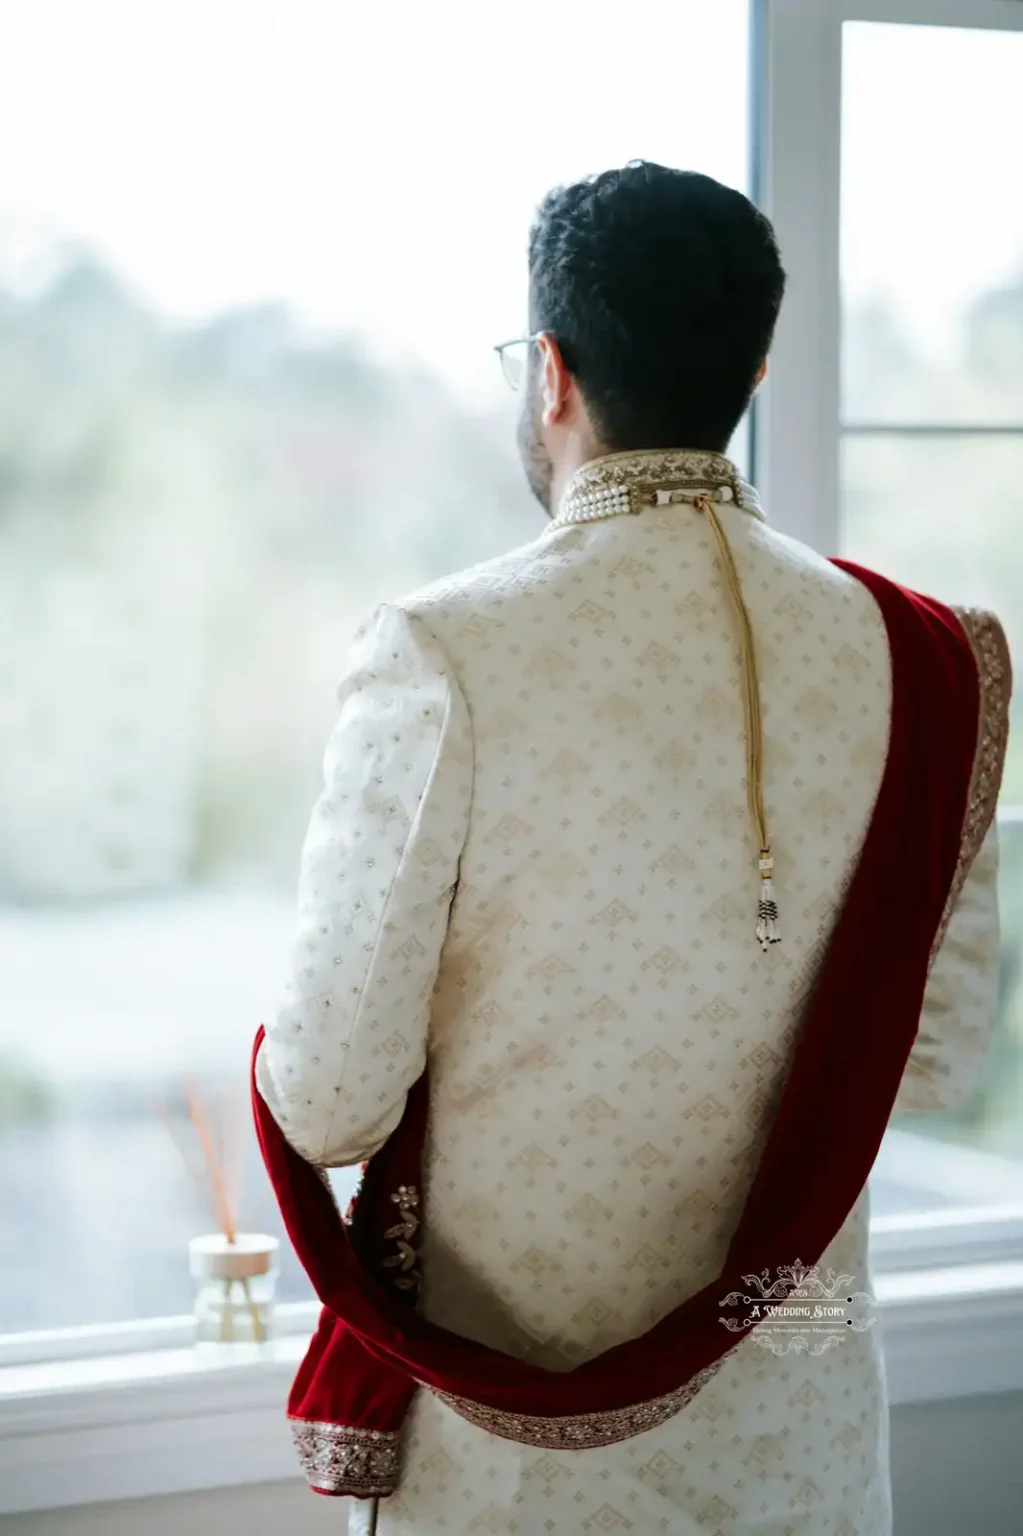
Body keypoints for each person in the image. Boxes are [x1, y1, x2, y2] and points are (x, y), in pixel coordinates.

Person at [253, 163, 1010, 1536]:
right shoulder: (932, 660)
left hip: (514, 1454)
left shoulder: (444, 653)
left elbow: (327, 1101)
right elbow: (942, 1065)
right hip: (795, 1435)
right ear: (757, 368)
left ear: (548, 371)